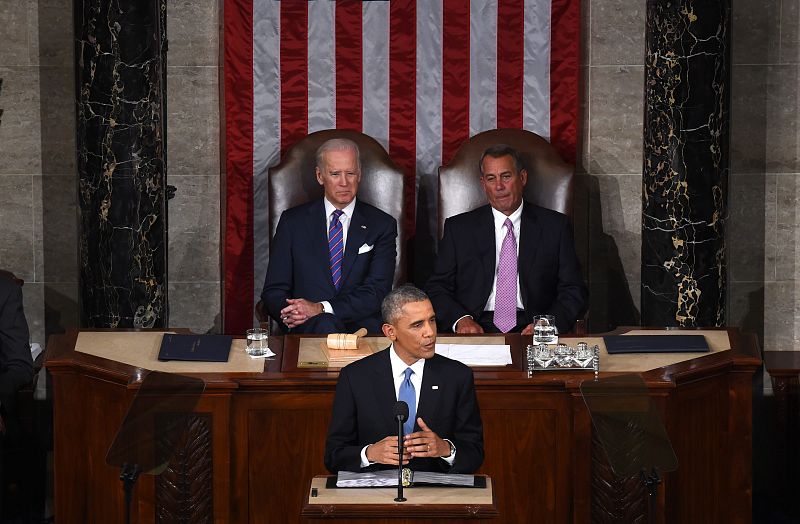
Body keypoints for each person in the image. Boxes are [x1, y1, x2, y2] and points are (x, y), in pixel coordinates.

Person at [426, 144, 588, 335]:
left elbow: (574, 289)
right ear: (483, 184)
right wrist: (460, 320)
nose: (499, 186)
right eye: (491, 178)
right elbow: (437, 287)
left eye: (506, 176)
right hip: (474, 324)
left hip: (534, 325)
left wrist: (547, 324)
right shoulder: (459, 229)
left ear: (522, 178)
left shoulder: (555, 226)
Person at [324, 285, 484, 474]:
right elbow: (334, 456)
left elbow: (474, 453)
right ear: (390, 332)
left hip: (435, 494)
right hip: (376, 494)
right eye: (417, 325)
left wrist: (446, 449)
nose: (430, 332)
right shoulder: (355, 377)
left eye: (432, 320)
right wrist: (369, 454)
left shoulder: (457, 376)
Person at [261, 138, 398, 334]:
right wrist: (292, 313)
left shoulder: (382, 224)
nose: (344, 182)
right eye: (335, 174)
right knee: (324, 324)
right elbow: (274, 290)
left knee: (331, 322)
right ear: (320, 176)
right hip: (308, 329)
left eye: (350, 173)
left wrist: (321, 308)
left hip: (362, 327)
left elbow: (377, 291)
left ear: (359, 175)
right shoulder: (292, 222)